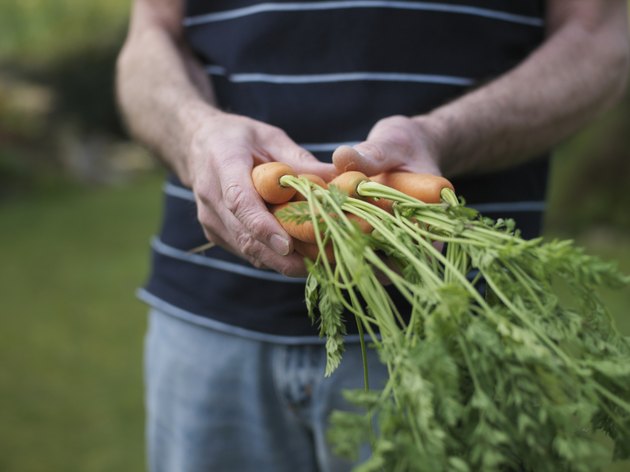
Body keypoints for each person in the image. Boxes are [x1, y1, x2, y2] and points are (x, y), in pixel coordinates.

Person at [116, 1, 629, 470]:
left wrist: (441, 135)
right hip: (205, 325)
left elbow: (601, 37)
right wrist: (195, 133)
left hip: (453, 330)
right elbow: (149, 38)